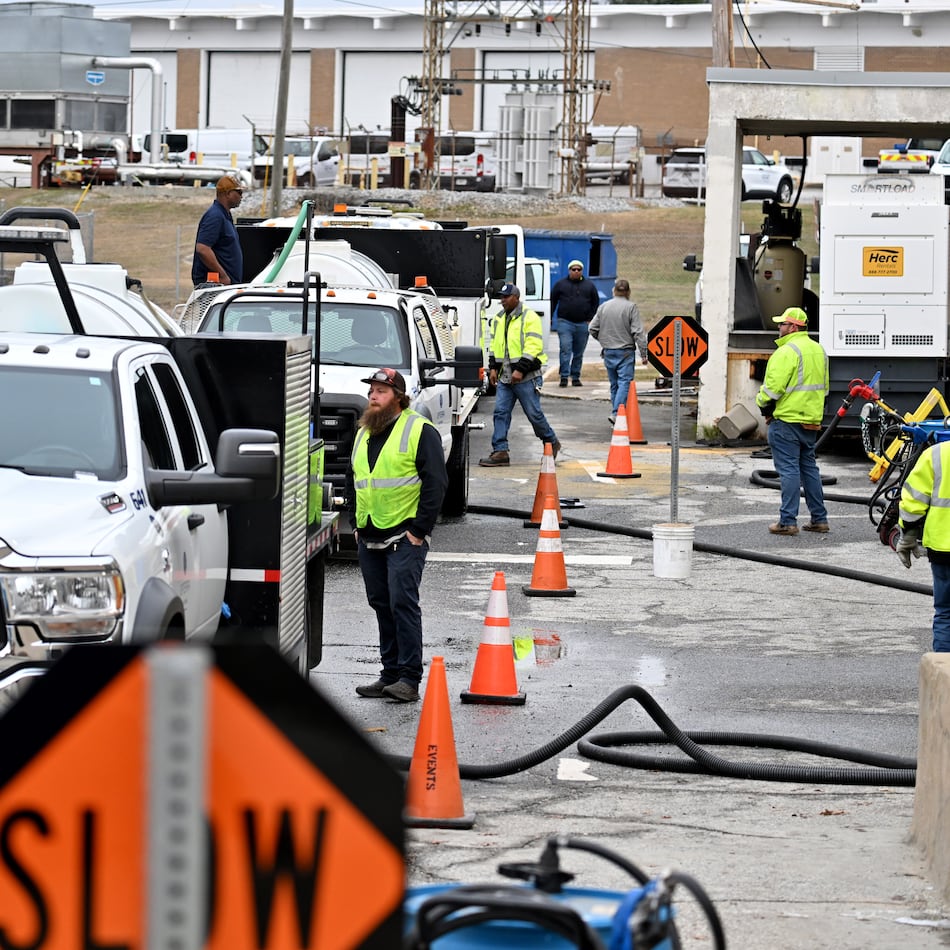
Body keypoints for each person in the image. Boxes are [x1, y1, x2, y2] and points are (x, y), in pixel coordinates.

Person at [348, 368, 448, 703]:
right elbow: (356, 478)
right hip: (370, 532)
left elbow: (436, 483)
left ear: (398, 398)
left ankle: (408, 677)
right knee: (380, 603)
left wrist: (419, 531)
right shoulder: (363, 432)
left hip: (404, 535)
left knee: (402, 602)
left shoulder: (419, 430)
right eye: (372, 391)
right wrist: (356, 522)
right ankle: (389, 674)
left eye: (381, 391)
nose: (374, 396)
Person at [754, 306, 830, 536]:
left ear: (794, 327)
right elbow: (824, 388)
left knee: (788, 470)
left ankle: (787, 521)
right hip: (810, 422)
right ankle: (819, 519)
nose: (779, 328)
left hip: (786, 421)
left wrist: (764, 406)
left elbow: (772, 389)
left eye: (782, 324)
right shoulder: (819, 351)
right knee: (809, 469)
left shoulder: (786, 351)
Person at [478, 283, 561, 467]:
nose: (502, 301)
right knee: (500, 412)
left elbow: (534, 346)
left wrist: (521, 369)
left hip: (527, 376)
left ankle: (551, 441)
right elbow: (495, 346)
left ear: (516, 297)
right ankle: (500, 451)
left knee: (534, 414)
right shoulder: (499, 318)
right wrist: (493, 368)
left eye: (506, 297)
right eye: (501, 297)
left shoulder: (529, 317)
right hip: (506, 376)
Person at [897, 441, 950, 652]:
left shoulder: (937, 454)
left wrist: (908, 535)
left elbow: (913, 502)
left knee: (946, 612)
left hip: (943, 547)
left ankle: (945, 678)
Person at [589, 278, 649, 424]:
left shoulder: (604, 307)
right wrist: (644, 353)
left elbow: (592, 328)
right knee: (624, 382)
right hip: (625, 351)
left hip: (608, 350)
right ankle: (617, 413)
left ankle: (616, 411)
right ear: (628, 292)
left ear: (614, 290)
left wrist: (604, 340)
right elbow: (638, 332)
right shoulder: (631, 307)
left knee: (614, 384)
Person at [551, 259, 600, 387]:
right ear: (569, 270)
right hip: (565, 323)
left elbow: (595, 303)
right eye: (574, 269)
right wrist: (550, 317)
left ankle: (576, 376)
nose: (576, 272)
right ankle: (564, 376)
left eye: (579, 270)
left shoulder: (589, 286)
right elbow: (553, 301)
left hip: (582, 324)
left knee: (578, 352)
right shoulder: (560, 285)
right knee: (565, 349)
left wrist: (591, 318)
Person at [191, 174, 244, 287]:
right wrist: (222, 275)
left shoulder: (224, 215)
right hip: (215, 287)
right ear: (228, 193)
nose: (241, 196)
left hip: (226, 286)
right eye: (239, 192)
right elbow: (202, 248)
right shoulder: (215, 216)